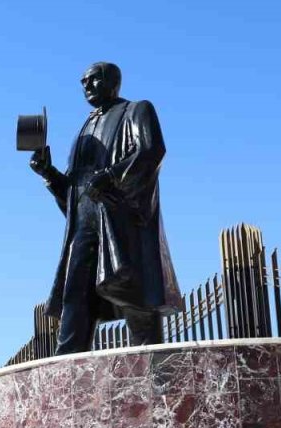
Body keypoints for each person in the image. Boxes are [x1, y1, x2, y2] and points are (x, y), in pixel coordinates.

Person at [28, 61, 180, 354]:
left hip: (121, 222)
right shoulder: (85, 128)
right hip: (84, 227)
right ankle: (66, 371)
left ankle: (152, 366)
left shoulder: (136, 110)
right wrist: (49, 173)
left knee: (135, 297)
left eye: (94, 79)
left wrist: (111, 176)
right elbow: (77, 192)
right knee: (75, 297)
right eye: (83, 81)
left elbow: (151, 151)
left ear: (114, 81)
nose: (86, 85)